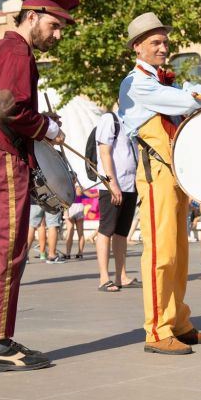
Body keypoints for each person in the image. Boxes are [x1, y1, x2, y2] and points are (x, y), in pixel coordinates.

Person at [0, 0, 78, 372]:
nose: (57, 35)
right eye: (54, 25)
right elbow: (9, 107)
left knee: (0, 251)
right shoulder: (17, 53)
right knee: (8, 252)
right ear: (32, 16)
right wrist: (46, 128)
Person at [118, 11, 201, 355]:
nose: (163, 47)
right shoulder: (136, 83)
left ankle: (179, 322)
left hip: (175, 170)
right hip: (156, 171)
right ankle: (157, 330)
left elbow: (192, 92)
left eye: (165, 41)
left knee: (179, 251)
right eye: (155, 42)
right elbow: (183, 101)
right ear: (138, 47)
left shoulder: (160, 80)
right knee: (160, 252)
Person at [92, 107, 139, 291]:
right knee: (106, 229)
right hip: (112, 185)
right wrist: (112, 183)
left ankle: (121, 276)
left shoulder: (133, 120)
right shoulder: (109, 119)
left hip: (130, 185)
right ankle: (104, 278)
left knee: (121, 232)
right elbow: (104, 152)